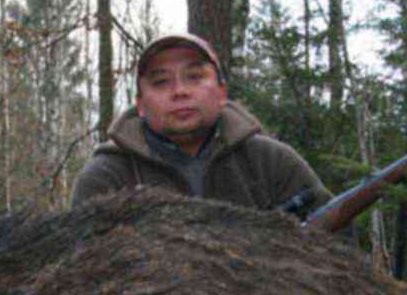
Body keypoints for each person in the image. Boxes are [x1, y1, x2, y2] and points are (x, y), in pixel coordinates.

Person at [71, 32, 331, 214]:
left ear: (221, 93)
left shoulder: (271, 163)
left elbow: (339, 252)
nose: (180, 91)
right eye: (161, 81)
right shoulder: (107, 178)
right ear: (139, 104)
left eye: (194, 76)